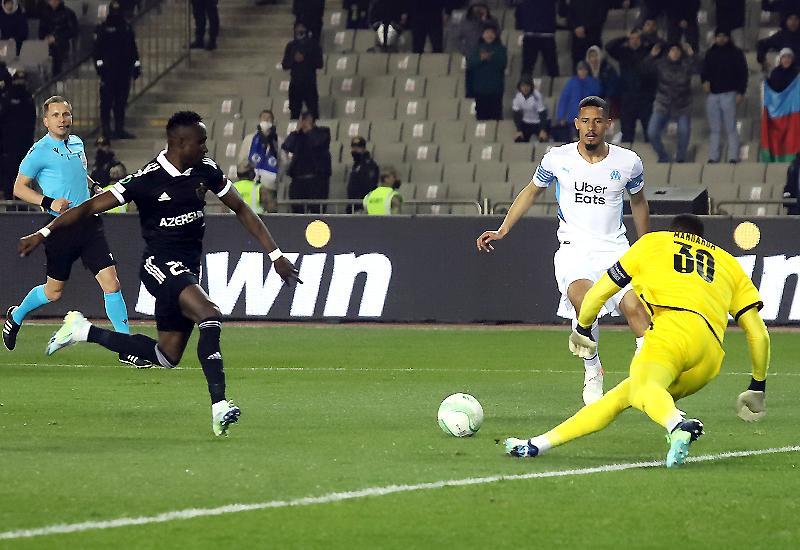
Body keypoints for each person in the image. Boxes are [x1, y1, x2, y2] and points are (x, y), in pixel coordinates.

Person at [17, 110, 301, 437]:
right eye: (200, 142)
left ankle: (83, 331)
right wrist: (44, 233)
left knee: (166, 355)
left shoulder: (205, 169)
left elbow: (241, 208)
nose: (206, 148)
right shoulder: (146, 179)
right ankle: (220, 406)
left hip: (187, 269)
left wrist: (275, 254)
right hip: (159, 265)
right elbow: (89, 207)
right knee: (210, 315)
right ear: (180, 143)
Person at [505, 214, 770, 468]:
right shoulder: (729, 264)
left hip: (670, 334)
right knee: (624, 396)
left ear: (672, 232)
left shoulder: (653, 243)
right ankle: (537, 444)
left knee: (643, 388)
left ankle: (677, 426)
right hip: (709, 356)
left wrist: (583, 327)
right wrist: (757, 386)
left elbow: (600, 291)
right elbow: (758, 334)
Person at [476, 96, 651, 405]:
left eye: (597, 121)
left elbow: (638, 201)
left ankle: (647, 378)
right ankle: (593, 370)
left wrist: (646, 245)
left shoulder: (628, 162)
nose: (591, 127)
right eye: (585, 121)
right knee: (584, 302)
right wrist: (503, 230)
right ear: (576, 124)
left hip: (615, 249)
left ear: (608, 124)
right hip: (575, 250)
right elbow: (531, 192)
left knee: (638, 311)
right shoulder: (557, 159)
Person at [3, 96, 148, 367]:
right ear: (46, 121)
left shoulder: (78, 143)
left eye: (66, 114)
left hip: (89, 223)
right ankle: (16, 315)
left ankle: (126, 347)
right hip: (60, 227)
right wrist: (48, 202)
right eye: (56, 115)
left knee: (112, 283)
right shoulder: (39, 151)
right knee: (53, 292)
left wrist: (93, 186)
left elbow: (79, 173)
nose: (62, 119)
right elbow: (18, 188)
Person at [93, 0, 141, 140]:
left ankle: (119, 129)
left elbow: (132, 49)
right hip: (108, 72)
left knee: (121, 102)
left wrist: (136, 65)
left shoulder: (126, 28)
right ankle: (106, 129)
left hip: (123, 71)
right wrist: (100, 68)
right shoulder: (103, 28)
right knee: (106, 103)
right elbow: (97, 51)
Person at [644, 42, 698, 163]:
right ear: (668, 52)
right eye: (672, 50)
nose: (675, 53)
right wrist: (651, 56)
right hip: (663, 104)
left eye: (677, 50)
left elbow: (700, 69)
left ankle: (680, 158)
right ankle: (663, 157)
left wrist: (692, 55)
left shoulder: (686, 64)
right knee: (652, 132)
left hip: (682, 105)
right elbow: (644, 70)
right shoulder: (660, 64)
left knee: (684, 132)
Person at [701, 29, 748, 163]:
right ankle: (713, 157)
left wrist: (741, 92)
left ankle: (733, 156)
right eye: (719, 36)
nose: (721, 39)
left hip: (729, 94)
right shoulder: (710, 53)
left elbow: (743, 74)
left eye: (724, 36)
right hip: (713, 95)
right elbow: (704, 71)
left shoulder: (736, 53)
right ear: (715, 38)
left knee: (731, 127)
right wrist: (704, 81)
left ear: (728, 38)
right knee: (714, 129)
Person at [605, 28, 657, 144]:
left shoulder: (647, 51)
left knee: (648, 130)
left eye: (637, 38)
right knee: (627, 132)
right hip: (628, 96)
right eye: (632, 38)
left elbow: (660, 45)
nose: (634, 41)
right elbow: (609, 46)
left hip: (645, 96)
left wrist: (644, 36)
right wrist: (625, 37)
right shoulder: (624, 52)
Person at [281, 112, 332, 214]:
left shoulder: (323, 132)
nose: (304, 122)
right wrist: (296, 131)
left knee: (316, 213)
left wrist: (309, 130)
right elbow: (287, 146)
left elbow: (317, 143)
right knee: (297, 212)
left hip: (316, 181)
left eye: (306, 120)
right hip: (298, 181)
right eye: (302, 120)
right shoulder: (297, 135)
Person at [0, 70, 35, 200]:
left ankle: (18, 202)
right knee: (10, 175)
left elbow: (31, 121)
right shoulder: (8, 97)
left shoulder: (27, 98)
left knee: (21, 176)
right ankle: (11, 200)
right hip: (9, 144)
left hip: (21, 145)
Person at [238, 109, 279, 212]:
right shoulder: (249, 139)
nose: (266, 120)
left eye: (269, 119)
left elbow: (283, 162)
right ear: (259, 120)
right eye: (264, 118)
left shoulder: (278, 141)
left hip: (270, 185)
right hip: (253, 185)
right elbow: (242, 160)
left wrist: (276, 177)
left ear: (273, 121)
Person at [282, 22, 324, 120]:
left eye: (302, 28)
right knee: (294, 112)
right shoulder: (291, 46)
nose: (300, 30)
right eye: (298, 28)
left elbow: (320, 64)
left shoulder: (314, 45)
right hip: (295, 83)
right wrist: (294, 59)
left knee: (313, 111)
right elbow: (285, 65)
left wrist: (305, 58)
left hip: (309, 83)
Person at [466, 24, 507, 121]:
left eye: (492, 33)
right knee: (481, 118)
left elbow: (502, 64)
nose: (489, 35)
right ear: (482, 34)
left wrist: (490, 57)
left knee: (496, 119)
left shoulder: (501, 49)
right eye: (487, 32)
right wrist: (481, 58)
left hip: (495, 90)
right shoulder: (475, 48)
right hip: (479, 90)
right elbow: (470, 64)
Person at [552, 61, 601, 142]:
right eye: (580, 70)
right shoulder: (571, 83)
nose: (582, 72)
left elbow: (597, 93)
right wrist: (561, 117)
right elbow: (564, 100)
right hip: (572, 119)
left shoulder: (592, 82)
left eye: (584, 70)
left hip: (588, 118)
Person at [516, 0, 559, 78]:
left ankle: (525, 83)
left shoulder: (523, 2)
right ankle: (554, 83)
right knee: (552, 68)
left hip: (533, 34)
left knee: (527, 68)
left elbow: (519, 23)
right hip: (545, 34)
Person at [564, 0, 610, 71]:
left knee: (594, 70)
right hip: (577, 42)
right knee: (578, 69)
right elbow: (569, 17)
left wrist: (585, 28)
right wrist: (575, 28)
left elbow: (601, 18)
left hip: (593, 39)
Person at [38, 0, 78, 75]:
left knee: (57, 53)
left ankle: (57, 76)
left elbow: (73, 31)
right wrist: (45, 38)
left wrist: (56, 37)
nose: (52, 2)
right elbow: (41, 30)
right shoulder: (45, 13)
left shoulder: (68, 13)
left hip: (62, 44)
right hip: (47, 43)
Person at [585, 45, 621, 120]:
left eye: (596, 56)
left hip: (606, 102)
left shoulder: (608, 69)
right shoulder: (585, 71)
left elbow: (613, 86)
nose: (594, 59)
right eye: (591, 56)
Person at [511, 75, 550, 142]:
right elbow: (516, 114)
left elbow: (543, 114)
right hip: (526, 122)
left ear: (531, 87)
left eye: (527, 86)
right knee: (518, 139)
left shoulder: (537, 96)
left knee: (543, 139)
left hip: (538, 122)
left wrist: (542, 130)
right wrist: (519, 130)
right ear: (520, 87)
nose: (525, 88)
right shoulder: (518, 96)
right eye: (523, 86)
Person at [347, 135, 379, 213]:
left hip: (363, 207)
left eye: (358, 147)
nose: (355, 149)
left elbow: (368, 186)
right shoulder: (356, 165)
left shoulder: (370, 165)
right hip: (353, 206)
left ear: (364, 148)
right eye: (353, 147)